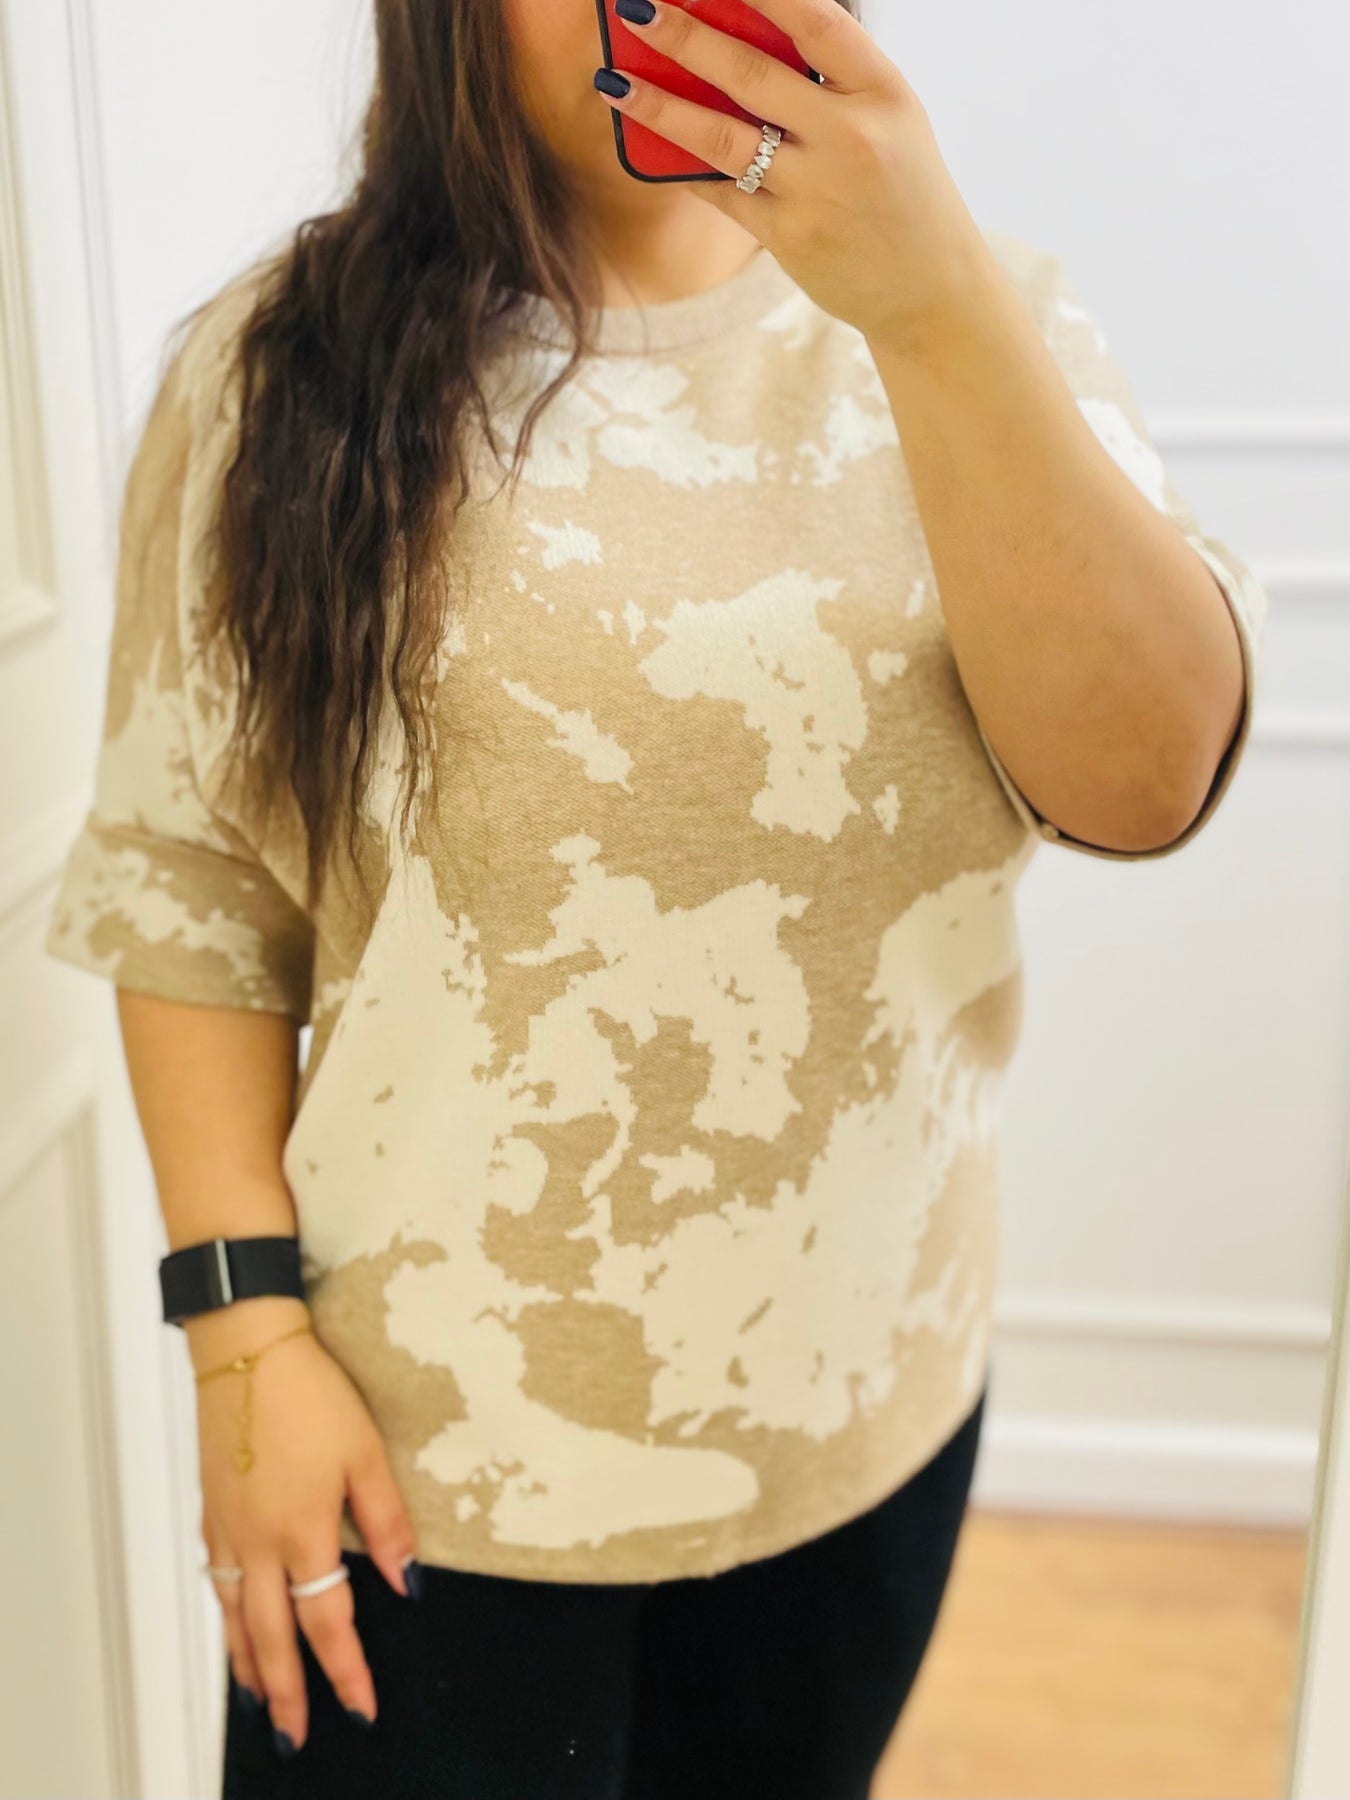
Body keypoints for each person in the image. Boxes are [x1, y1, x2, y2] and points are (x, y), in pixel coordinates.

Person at [43, 1, 1266, 1795]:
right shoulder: (270, 372)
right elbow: (192, 882)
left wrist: (932, 310)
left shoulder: (984, 322)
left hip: (863, 1415)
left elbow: (1145, 781)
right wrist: (243, 1342)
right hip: (416, 1467)